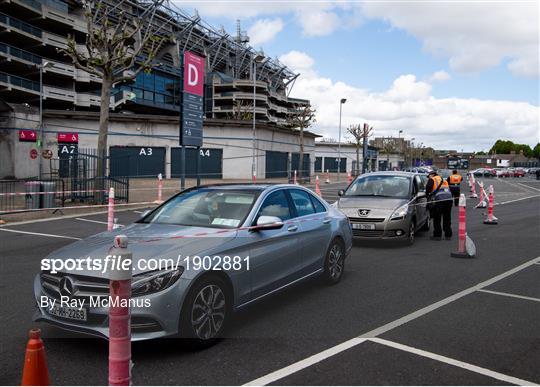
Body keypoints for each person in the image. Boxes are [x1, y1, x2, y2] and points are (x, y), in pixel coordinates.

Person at [426, 170, 453, 240]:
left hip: (439, 200)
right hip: (449, 199)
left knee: (437, 218)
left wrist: (427, 195)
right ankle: (448, 234)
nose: (428, 178)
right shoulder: (443, 180)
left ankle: (437, 235)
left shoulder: (432, 179)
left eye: (428, 176)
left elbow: (428, 188)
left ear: (431, 174)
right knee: (447, 217)